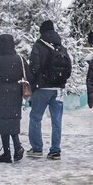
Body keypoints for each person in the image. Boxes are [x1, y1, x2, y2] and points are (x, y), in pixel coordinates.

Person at [28, 19, 72, 159]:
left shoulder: (38, 46)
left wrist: (34, 84)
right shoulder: (61, 47)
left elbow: (33, 68)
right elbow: (69, 68)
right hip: (58, 89)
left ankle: (37, 148)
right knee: (56, 120)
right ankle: (55, 150)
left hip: (42, 88)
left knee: (35, 118)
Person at [0, 33, 27, 162]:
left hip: (1, 91)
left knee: (3, 120)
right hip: (16, 91)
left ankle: (7, 153)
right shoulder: (19, 59)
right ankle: (17, 146)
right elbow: (27, 73)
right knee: (12, 119)